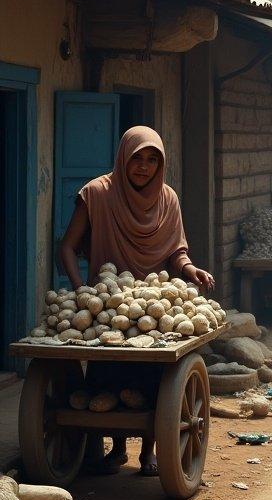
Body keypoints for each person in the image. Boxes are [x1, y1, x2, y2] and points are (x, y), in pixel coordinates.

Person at [58, 126, 215, 476]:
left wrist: (191, 270)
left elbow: (176, 252)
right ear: (123, 158)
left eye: (151, 160)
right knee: (107, 373)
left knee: (153, 378)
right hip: (108, 303)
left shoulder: (168, 198)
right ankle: (112, 447)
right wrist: (82, 288)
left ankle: (148, 453)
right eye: (137, 159)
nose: (143, 167)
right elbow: (66, 246)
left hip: (153, 301)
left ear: (160, 164)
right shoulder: (97, 193)